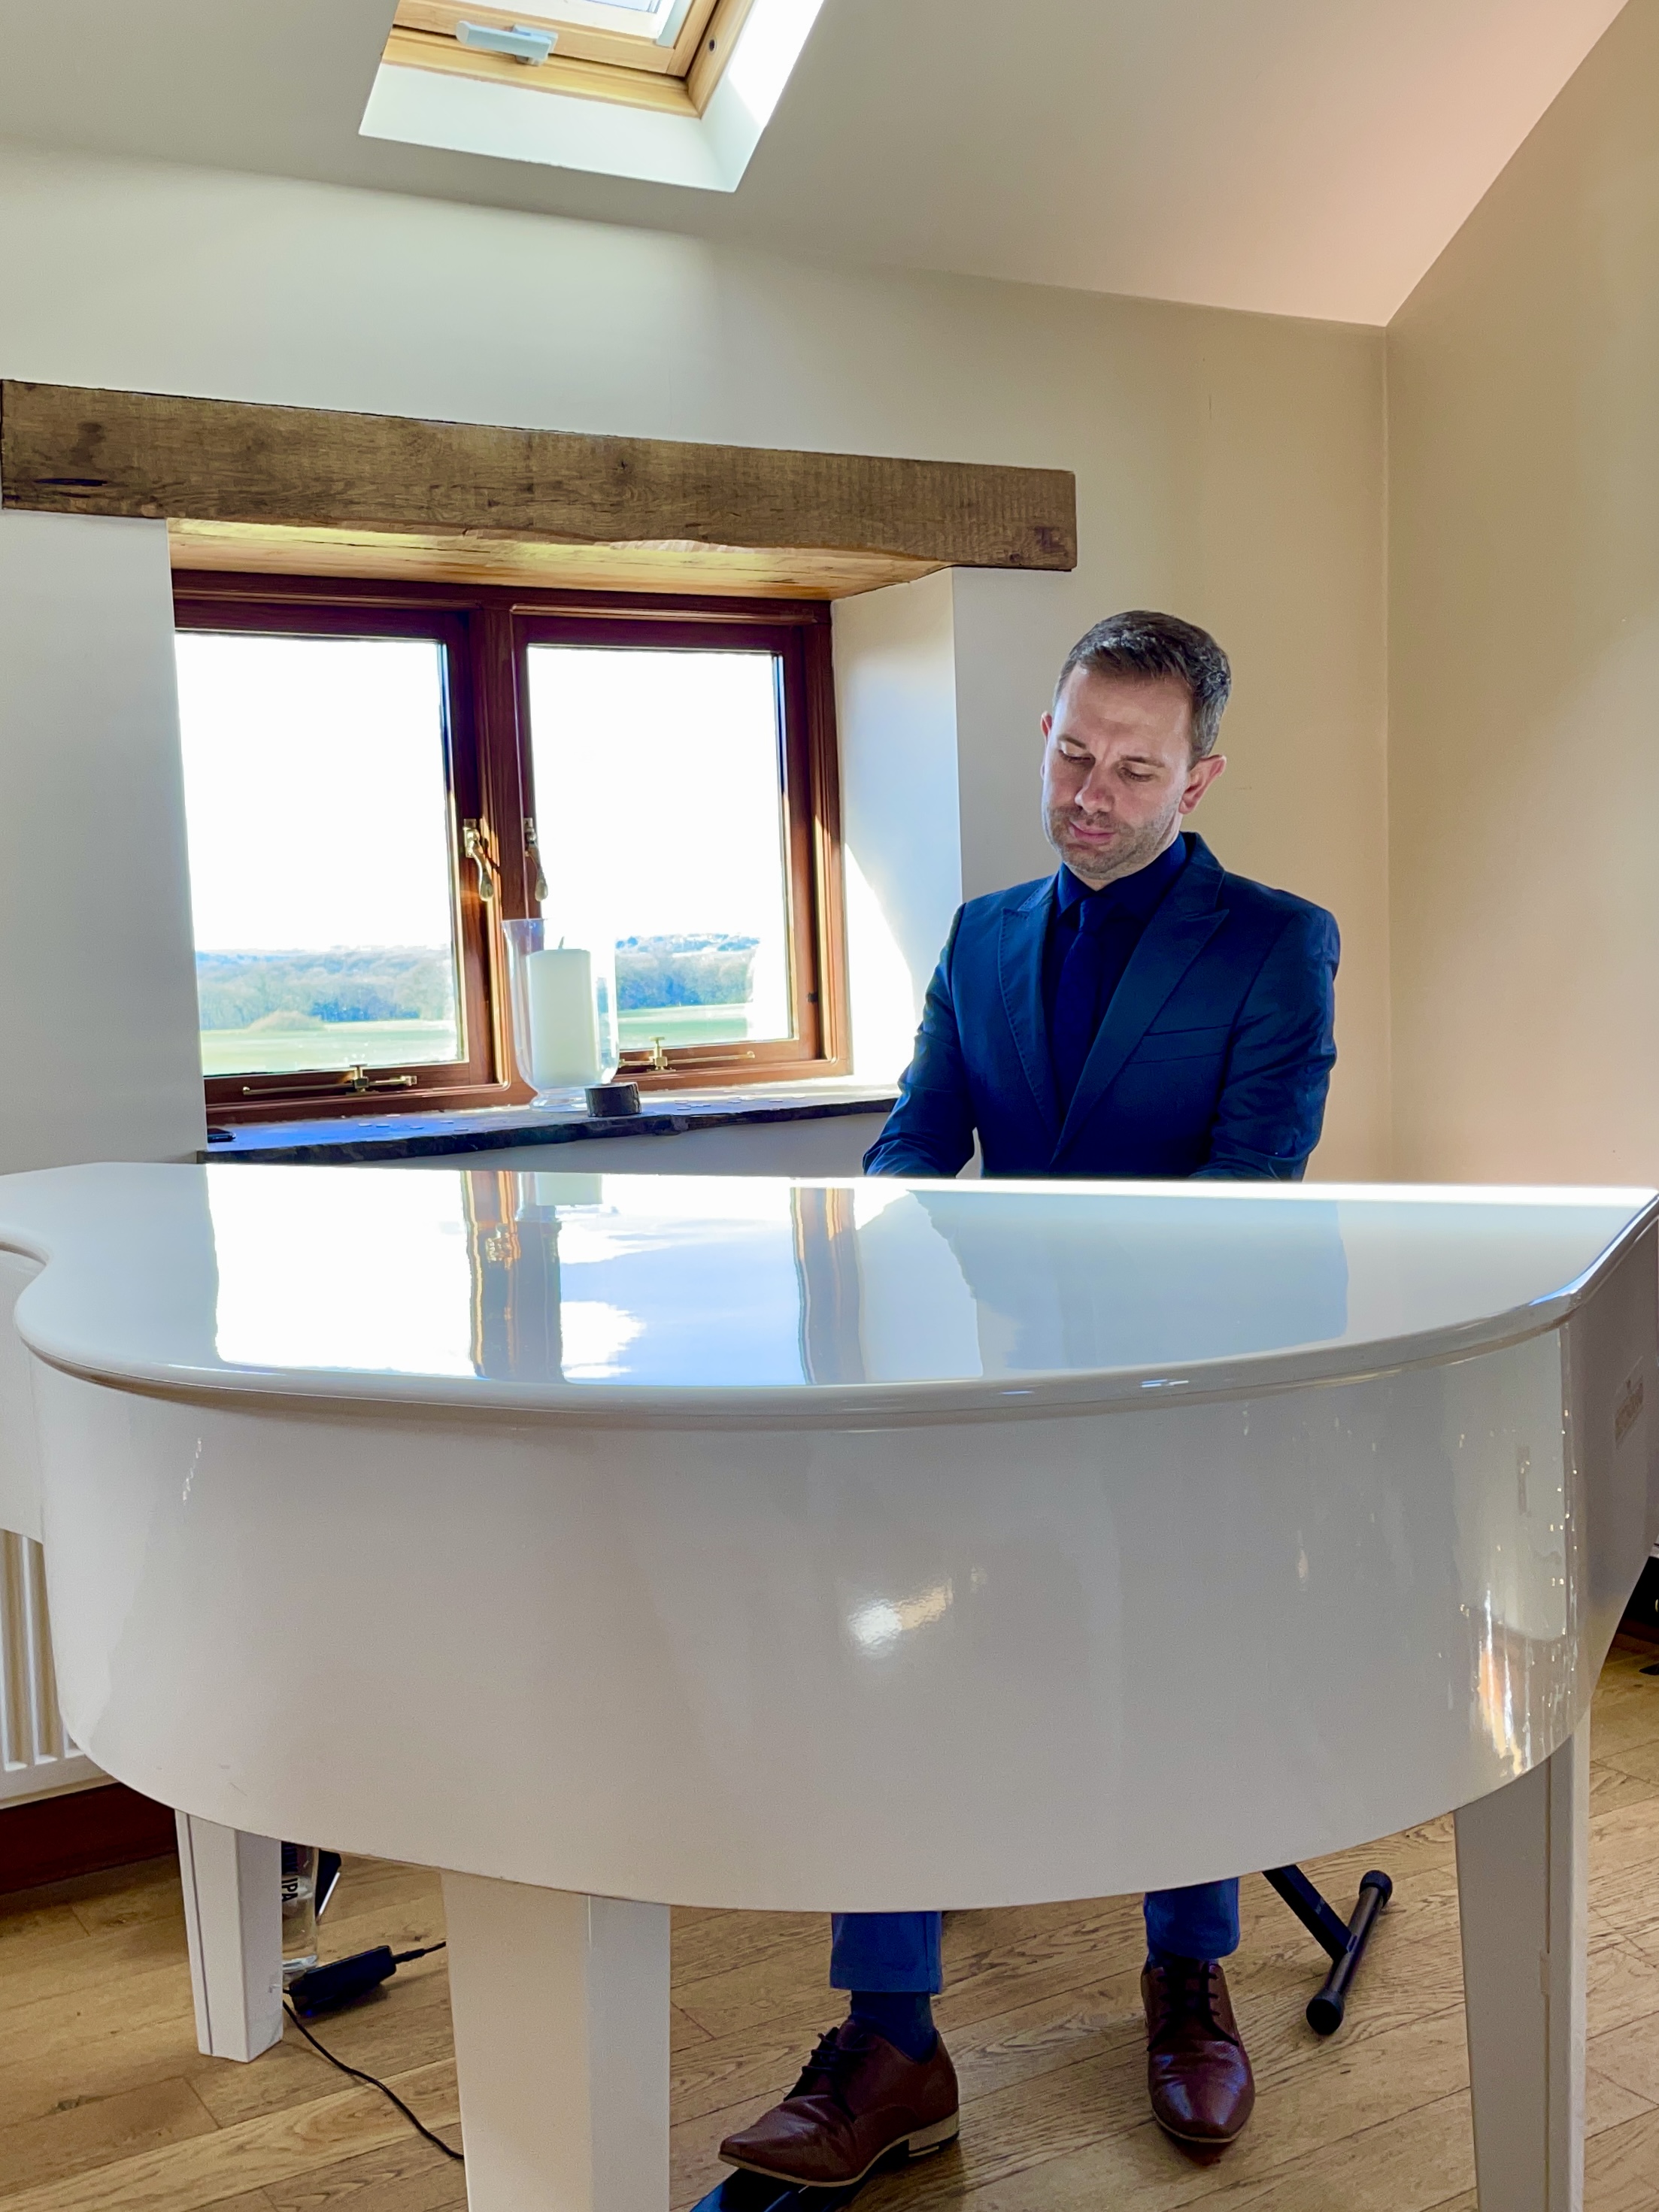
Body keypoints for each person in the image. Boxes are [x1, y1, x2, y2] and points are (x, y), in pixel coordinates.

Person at [717, 611, 1340, 2186]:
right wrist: (885, 1250)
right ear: (1044, 736)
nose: (1089, 793)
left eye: (1131, 768)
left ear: (1197, 778)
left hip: (1174, 1400)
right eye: (1071, 753)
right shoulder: (980, 934)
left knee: (1179, 1672)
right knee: (890, 1658)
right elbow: (914, 1140)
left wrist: (1055, 1299)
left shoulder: (1278, 941)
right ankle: (888, 2039)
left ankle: (1186, 1980)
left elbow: (1250, 1188)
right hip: (986, 1394)